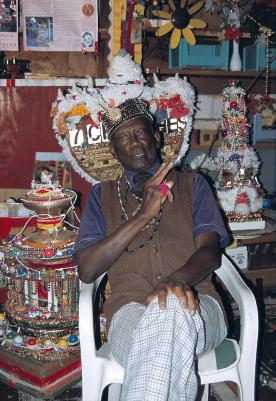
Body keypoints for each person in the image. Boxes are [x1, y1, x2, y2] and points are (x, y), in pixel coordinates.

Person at [75, 98, 230, 401]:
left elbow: (210, 252)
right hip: (127, 312)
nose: (133, 143)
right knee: (162, 326)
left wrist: (176, 282)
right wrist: (143, 215)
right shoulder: (101, 196)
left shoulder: (193, 185)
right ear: (113, 149)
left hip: (200, 306)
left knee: (170, 308)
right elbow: (88, 268)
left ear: (156, 138)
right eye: (122, 137)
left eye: (140, 133)